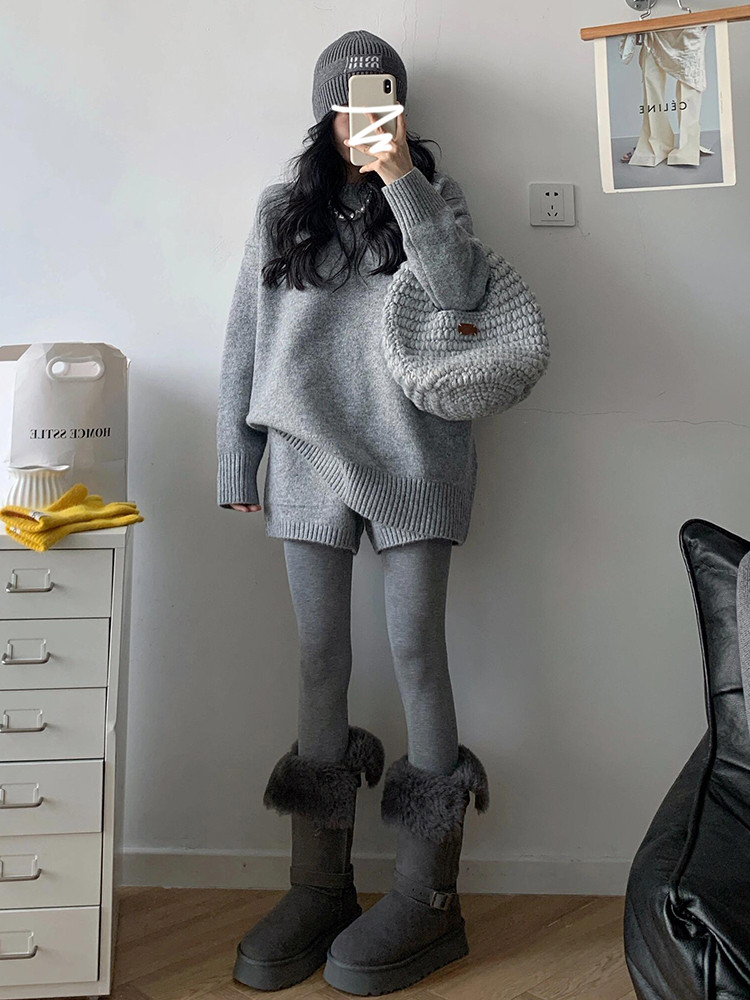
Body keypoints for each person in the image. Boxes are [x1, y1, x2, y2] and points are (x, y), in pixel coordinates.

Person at [216, 29, 490, 996]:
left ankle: (427, 896)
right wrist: (237, 456)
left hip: (416, 456)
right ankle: (320, 886)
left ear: (399, 108)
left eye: (378, 102)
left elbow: (462, 294)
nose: (360, 119)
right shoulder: (280, 211)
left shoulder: (435, 197)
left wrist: (402, 176)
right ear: (324, 109)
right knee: (318, 659)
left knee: (417, 653)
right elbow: (244, 337)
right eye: (347, 103)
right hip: (303, 456)